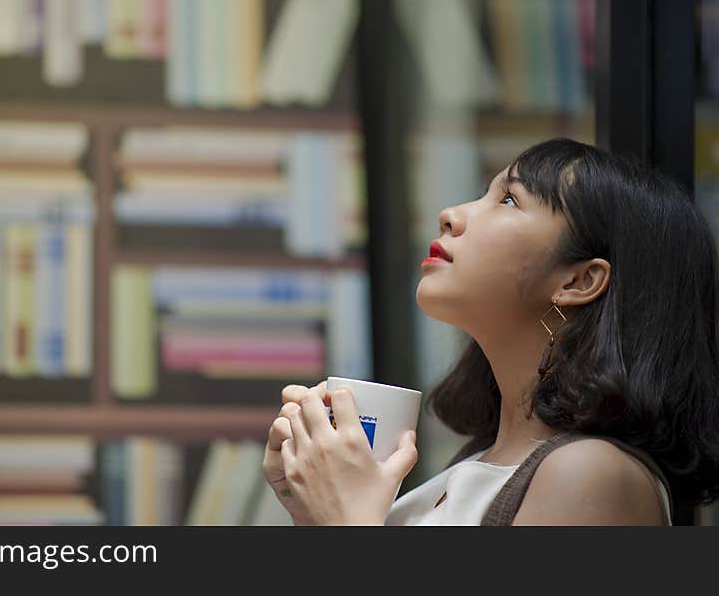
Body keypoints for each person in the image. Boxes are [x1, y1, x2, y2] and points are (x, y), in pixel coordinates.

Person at [262, 138, 719, 526]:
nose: (451, 214)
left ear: (578, 281)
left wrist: (349, 521)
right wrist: (317, 507)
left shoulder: (591, 474)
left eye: (507, 200)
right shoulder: (474, 466)